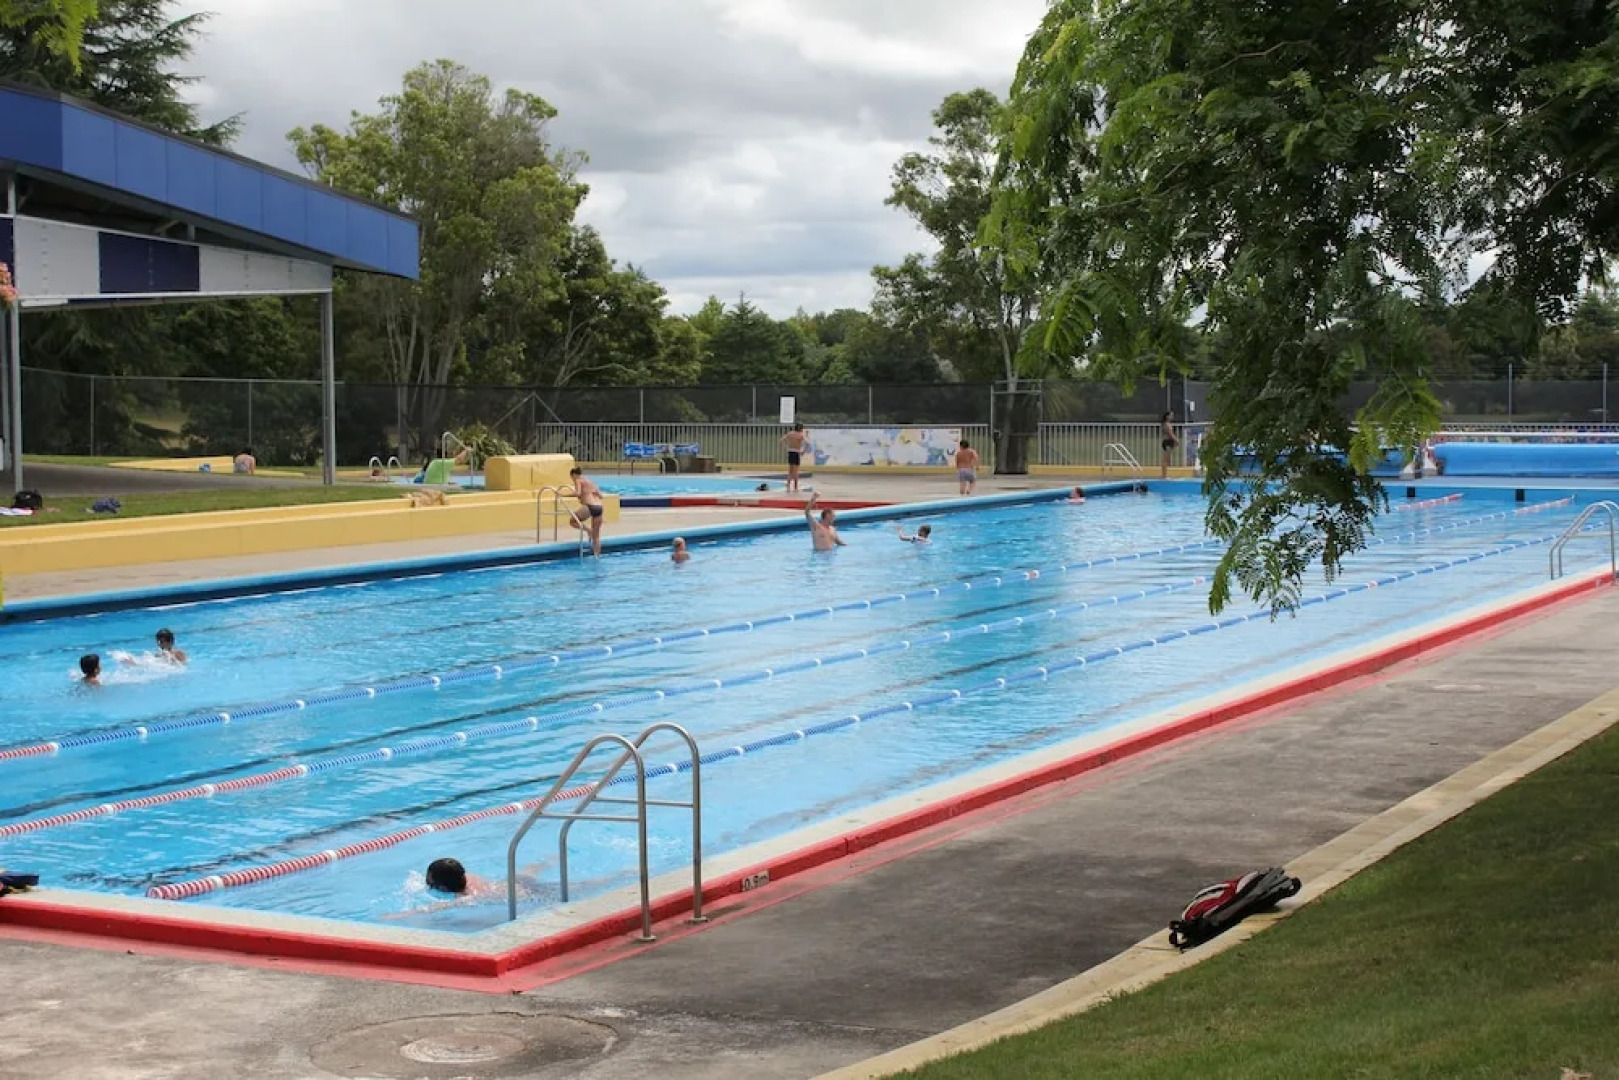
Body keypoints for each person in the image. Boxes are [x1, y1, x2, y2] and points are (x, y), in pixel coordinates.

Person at [568, 466, 605, 557]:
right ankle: (597, 557)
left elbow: (578, 493)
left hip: (589, 506)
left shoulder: (578, 480)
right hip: (599, 507)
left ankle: (588, 530)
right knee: (596, 537)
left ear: (573, 475)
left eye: (571, 477)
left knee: (573, 521)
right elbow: (600, 495)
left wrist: (563, 495)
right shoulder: (590, 481)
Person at [779, 423, 809, 494]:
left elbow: (781, 440)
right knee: (795, 472)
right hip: (796, 452)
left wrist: (786, 448)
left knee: (790, 471)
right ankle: (795, 488)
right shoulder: (801, 435)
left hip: (790, 452)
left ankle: (788, 487)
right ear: (801, 429)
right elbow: (808, 443)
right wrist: (803, 451)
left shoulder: (790, 434)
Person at [1160, 411, 1178, 480]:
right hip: (1167, 442)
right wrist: (1176, 440)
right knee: (1165, 459)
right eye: (1171, 415)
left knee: (1167, 459)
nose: (1172, 417)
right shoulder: (1167, 424)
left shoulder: (1168, 424)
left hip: (1169, 442)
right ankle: (1164, 476)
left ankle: (1164, 475)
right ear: (1167, 416)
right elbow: (1170, 434)